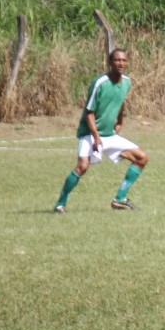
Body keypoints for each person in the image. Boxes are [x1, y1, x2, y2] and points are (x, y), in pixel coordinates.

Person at [53, 48, 149, 213]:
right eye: (117, 60)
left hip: (109, 135)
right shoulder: (100, 83)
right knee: (82, 166)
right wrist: (96, 137)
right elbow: (89, 113)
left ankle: (120, 199)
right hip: (90, 134)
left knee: (142, 158)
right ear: (110, 62)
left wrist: (120, 120)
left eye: (124, 60)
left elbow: (121, 101)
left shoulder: (127, 82)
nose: (121, 63)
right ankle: (60, 204)